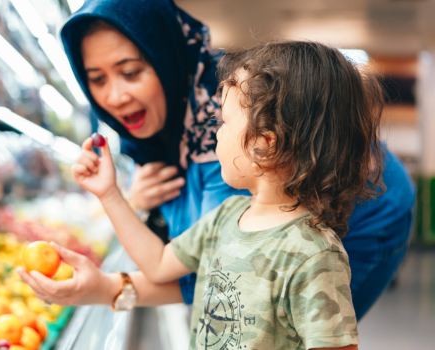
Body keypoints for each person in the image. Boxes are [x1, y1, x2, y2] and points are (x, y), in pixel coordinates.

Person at [23, 0, 415, 320]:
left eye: (130, 71)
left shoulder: (234, 131)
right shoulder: (200, 162)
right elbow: (174, 261)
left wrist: (110, 286)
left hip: (373, 208)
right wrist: (117, 200)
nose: (114, 96)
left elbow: (208, 274)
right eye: (97, 79)